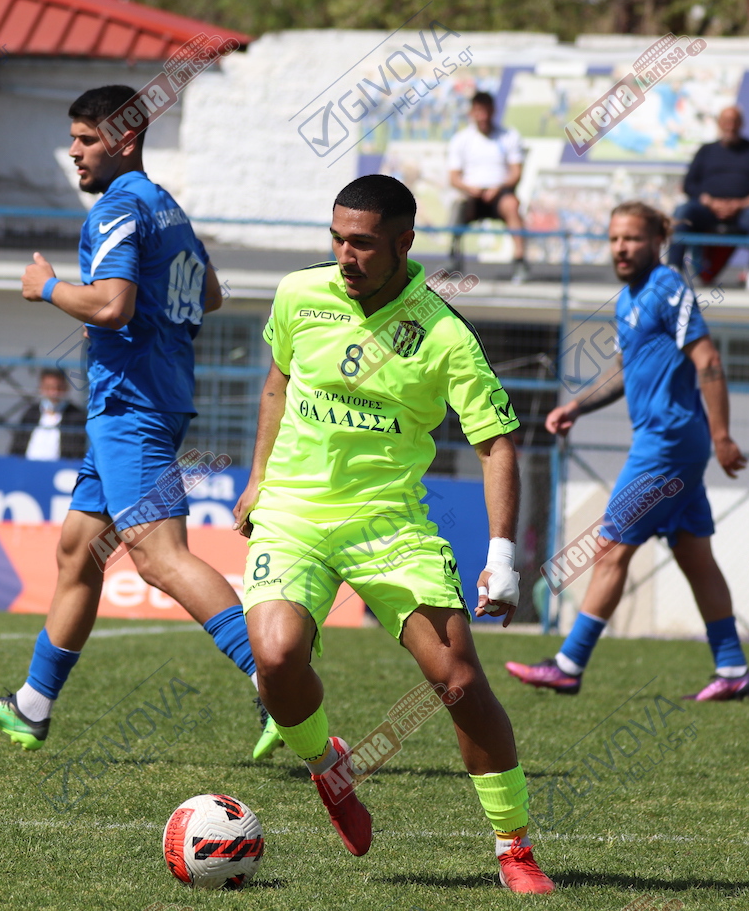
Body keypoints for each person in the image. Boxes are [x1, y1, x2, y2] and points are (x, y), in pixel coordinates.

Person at [232, 174, 553, 893]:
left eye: (363, 244)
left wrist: (503, 555)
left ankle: (514, 847)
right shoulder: (298, 294)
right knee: (276, 657)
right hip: (294, 513)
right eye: (337, 240)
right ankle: (329, 768)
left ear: (405, 242)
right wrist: (257, 478)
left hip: (389, 525)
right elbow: (277, 382)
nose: (346, 256)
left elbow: (497, 444)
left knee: (458, 680)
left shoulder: (444, 333)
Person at [0, 84, 278, 758]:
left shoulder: (119, 207)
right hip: (142, 399)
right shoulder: (166, 207)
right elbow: (209, 294)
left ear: (124, 140)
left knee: (160, 559)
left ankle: (278, 684)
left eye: (86, 140)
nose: (74, 153)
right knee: (78, 551)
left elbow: (110, 306)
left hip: (133, 404)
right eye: (72, 139)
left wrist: (47, 288)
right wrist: (147, 314)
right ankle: (32, 707)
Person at [507, 201, 749, 701]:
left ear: (658, 241)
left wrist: (723, 436)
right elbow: (624, 370)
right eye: (615, 239)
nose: (621, 248)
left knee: (611, 549)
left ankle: (568, 664)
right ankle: (732, 669)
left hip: (667, 443)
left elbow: (708, 358)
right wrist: (576, 405)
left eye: (633, 238)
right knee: (695, 557)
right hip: (670, 442)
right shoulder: (628, 299)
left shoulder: (668, 288)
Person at [667, 105, 749, 286]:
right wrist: (708, 201)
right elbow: (689, 183)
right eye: (726, 121)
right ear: (719, 123)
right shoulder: (706, 151)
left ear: (741, 124)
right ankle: (673, 268)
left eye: (734, 122)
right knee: (683, 211)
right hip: (707, 210)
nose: (730, 126)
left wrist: (744, 203)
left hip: (743, 211)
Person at [447, 92, 528, 283]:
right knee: (458, 206)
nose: (483, 116)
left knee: (512, 205)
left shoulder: (509, 136)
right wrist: (470, 189)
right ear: (472, 113)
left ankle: (520, 260)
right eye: (478, 111)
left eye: (486, 111)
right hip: (471, 195)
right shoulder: (461, 139)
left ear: (493, 111)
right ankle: (453, 258)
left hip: (500, 193)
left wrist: (498, 188)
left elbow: (516, 173)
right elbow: (454, 178)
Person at [9, 367, 87, 460]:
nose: (54, 393)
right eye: (49, 388)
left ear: (66, 388)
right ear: (41, 388)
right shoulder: (31, 413)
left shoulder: (76, 416)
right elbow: (17, 447)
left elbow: (77, 452)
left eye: (58, 388)